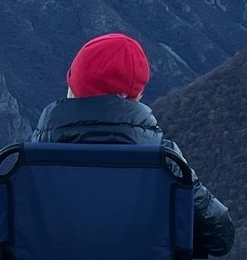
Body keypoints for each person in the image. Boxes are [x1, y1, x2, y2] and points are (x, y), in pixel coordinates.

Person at [32, 33, 235, 258]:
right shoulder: (165, 162)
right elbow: (219, 238)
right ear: (137, 94)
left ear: (72, 86)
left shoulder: (32, 159)